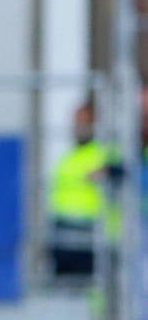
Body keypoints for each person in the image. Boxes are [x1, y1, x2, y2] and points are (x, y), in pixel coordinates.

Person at [47, 97, 120, 279]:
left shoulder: (106, 153)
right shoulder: (66, 159)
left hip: (93, 237)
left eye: (85, 121)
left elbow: (118, 177)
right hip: (64, 236)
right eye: (76, 121)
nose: (79, 126)